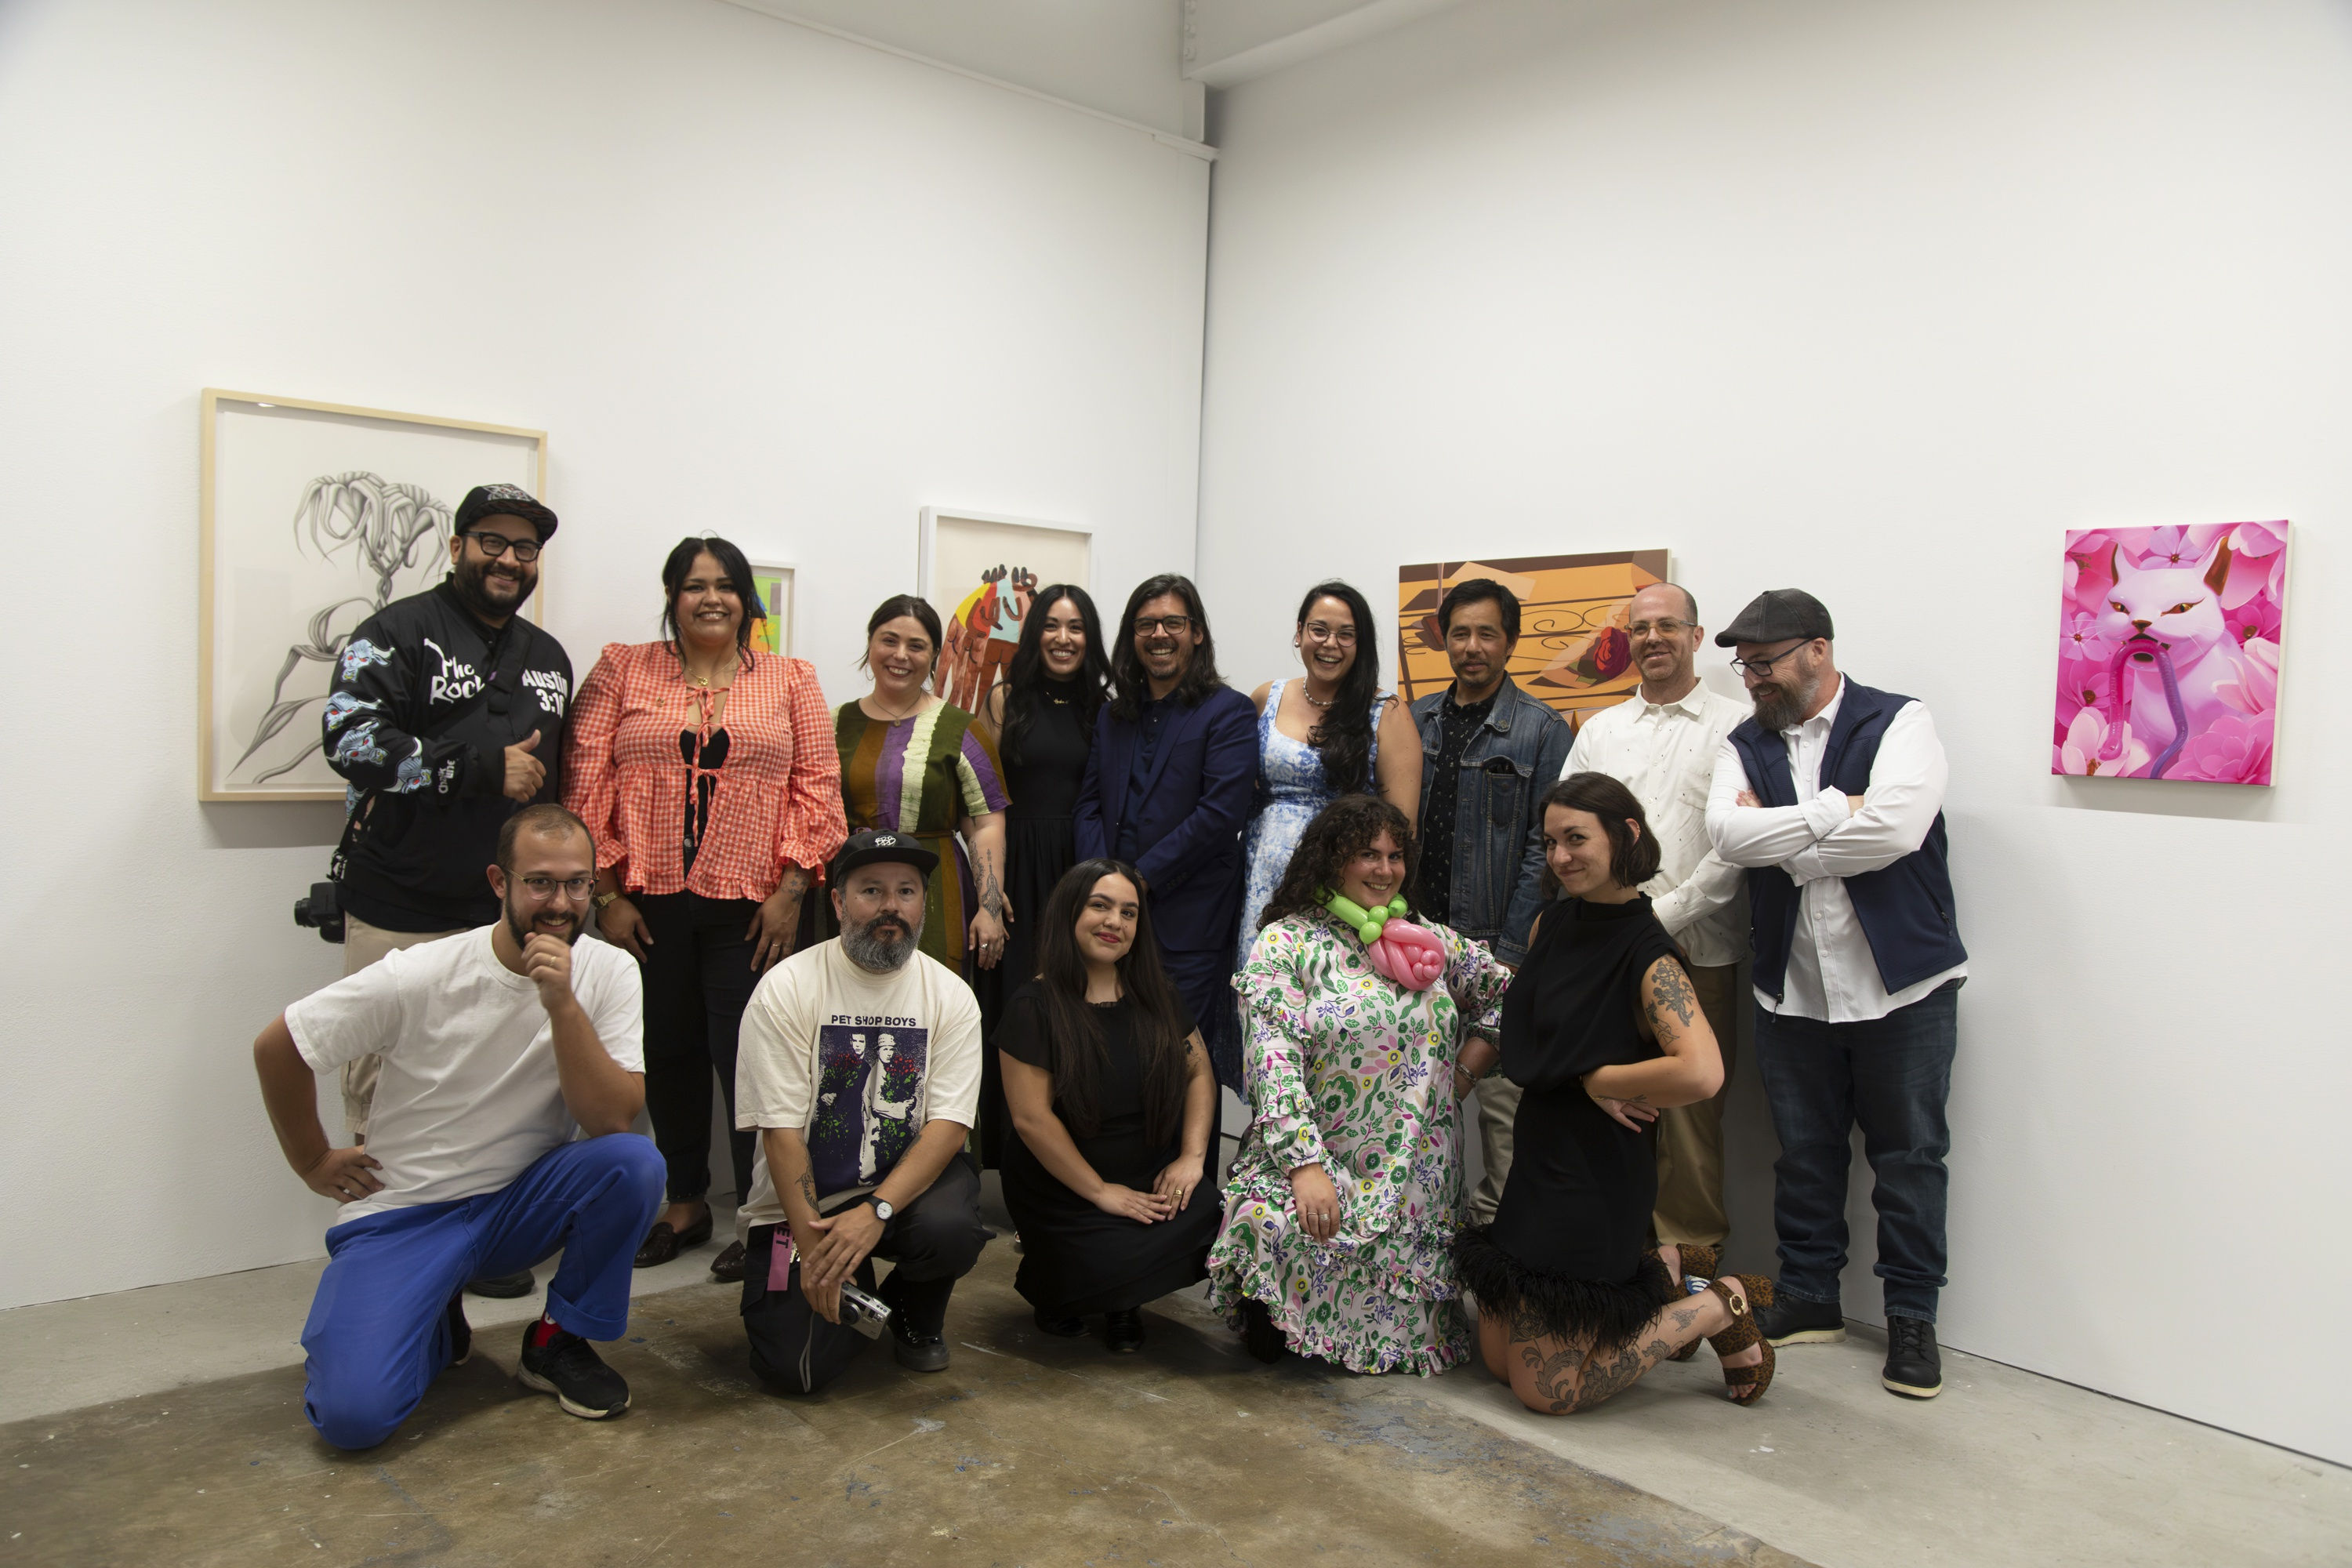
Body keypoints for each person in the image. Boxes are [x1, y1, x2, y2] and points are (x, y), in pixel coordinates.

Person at [251, 804, 662, 1450]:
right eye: (540, 883)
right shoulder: (422, 972)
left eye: (578, 883)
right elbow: (280, 1046)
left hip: (517, 1205)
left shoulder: (609, 972)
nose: (561, 903)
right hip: (408, 1214)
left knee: (633, 1164)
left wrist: (560, 1004)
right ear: (499, 883)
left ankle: (556, 1342)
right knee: (352, 1420)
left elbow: (612, 1117)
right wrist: (311, 1161)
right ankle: (437, 1318)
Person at [1705, 589, 1968, 1402]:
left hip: (1903, 990)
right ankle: (1812, 1293)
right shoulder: (1743, 740)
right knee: (1806, 1156)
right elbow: (1726, 835)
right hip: (1795, 991)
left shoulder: (1899, 720)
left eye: (1765, 661)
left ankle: (1912, 1318)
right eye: (1744, 664)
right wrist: (1827, 813)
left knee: (1910, 1158)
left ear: (1817, 648)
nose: (1752, 677)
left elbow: (1895, 828)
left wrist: (1786, 844)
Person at [565, 535, 848, 1283]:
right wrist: (607, 893)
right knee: (668, 1054)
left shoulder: (791, 678)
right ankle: (684, 1202)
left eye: (726, 585)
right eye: (695, 586)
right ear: (672, 596)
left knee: (753, 1064)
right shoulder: (622, 668)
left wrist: (791, 891)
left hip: (751, 908)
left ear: (747, 601)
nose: (711, 598)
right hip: (647, 904)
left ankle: (761, 1213)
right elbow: (585, 781)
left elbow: (819, 790)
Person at [318, 481, 574, 1299]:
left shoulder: (548, 658)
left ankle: (484, 1244)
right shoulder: (392, 634)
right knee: (382, 1087)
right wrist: (476, 765)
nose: (508, 559)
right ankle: (388, 1247)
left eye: (525, 547)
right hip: (398, 905)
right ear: (459, 544)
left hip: (501, 919)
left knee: (493, 1089)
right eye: (492, 542)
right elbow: (350, 738)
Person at [1454, 775, 1774, 1415]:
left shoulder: (1649, 953)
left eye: (1577, 839)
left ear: (1627, 836)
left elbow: (1702, 1072)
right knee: (1495, 1363)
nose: (1560, 857)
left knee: (1548, 1392)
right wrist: (1573, 1076)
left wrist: (1604, 1080)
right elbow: (1529, 1030)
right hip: (1541, 1153)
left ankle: (1715, 1304)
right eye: (1550, 842)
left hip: (1596, 1176)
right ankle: (1669, 1263)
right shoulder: (1554, 920)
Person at [1206, 795, 1510, 1376]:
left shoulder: (1428, 942)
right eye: (1367, 854)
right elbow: (1272, 1064)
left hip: (1419, 1179)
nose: (1385, 869)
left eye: (1396, 856)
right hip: (1324, 1162)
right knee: (1268, 1230)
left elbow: (1508, 1000)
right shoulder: (1287, 944)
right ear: (1330, 859)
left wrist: (1465, 1074)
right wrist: (1304, 1167)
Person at [733, 830, 992, 1392]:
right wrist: (814, 1249)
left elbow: (949, 1126)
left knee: (950, 1228)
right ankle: (845, 1281)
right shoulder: (786, 989)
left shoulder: (950, 996)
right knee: (794, 1372)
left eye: (906, 891)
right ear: (838, 902)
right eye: (871, 891)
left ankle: (911, 1314)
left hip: (897, 1197)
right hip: (799, 1212)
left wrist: (874, 1213)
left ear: (924, 904)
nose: (890, 907)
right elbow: (780, 1133)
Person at [1560, 582, 1749, 1254]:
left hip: (1697, 951)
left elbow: (1738, 848)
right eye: (1641, 629)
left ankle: (1690, 1272)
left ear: (1697, 637)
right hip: (1604, 958)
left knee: (1692, 1123)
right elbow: (1568, 834)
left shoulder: (1737, 727)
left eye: (1669, 626)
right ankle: (1619, 1261)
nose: (1653, 639)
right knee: (1612, 1110)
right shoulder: (1602, 731)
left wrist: (1654, 920)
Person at [1406, 577, 1574, 1227]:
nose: (1472, 647)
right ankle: (1417, 1243)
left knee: (1502, 1113)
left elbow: (1545, 851)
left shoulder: (1539, 730)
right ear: (1443, 639)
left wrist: (1510, 954)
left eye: (1486, 634)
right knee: (1412, 1099)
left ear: (1509, 641)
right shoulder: (1414, 720)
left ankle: (1500, 1262)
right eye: (1459, 633)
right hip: (1413, 946)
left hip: (1496, 949)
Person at [998, 860, 1219, 1352]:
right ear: (1069, 913)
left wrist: (1191, 1159)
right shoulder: (1033, 1005)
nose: (1114, 922)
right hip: (1064, 1188)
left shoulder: (1156, 994)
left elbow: (1199, 1071)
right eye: (1100, 906)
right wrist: (1101, 1192)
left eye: (1129, 912)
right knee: (1096, 1259)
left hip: (1148, 1173)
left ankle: (1123, 1301)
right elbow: (1031, 1119)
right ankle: (1059, 1291)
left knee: (1211, 1215)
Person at [1074, 575, 1257, 1088]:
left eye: (1173, 622)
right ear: (1133, 636)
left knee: (1181, 1059)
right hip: (1110, 921)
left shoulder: (1229, 711)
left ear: (1196, 633)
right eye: (1146, 624)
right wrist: (1098, 883)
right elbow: (1089, 803)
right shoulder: (1115, 715)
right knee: (1111, 1054)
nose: (1160, 633)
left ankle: (1191, 1169)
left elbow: (1220, 815)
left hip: (1187, 922)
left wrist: (1138, 880)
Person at [977, 584, 1112, 1165]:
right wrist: (991, 890)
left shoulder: (1106, 707)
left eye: (1076, 627)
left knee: (1080, 1010)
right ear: (1035, 634)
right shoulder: (1006, 697)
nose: (1064, 638)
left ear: (1091, 637)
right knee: (1019, 1009)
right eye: (1052, 626)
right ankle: (1014, 1165)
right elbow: (984, 802)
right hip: (1018, 863)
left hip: (1079, 869)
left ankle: (1074, 1158)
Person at [812, 596, 1011, 981]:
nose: (900, 655)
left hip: (936, 890)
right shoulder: (832, 723)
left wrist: (990, 906)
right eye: (889, 640)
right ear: (870, 644)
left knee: (932, 1000)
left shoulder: (961, 729)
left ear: (934, 654)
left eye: (916, 646)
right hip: (851, 886)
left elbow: (987, 824)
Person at [1238, 581, 1424, 971]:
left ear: (1362, 643)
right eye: (1319, 630)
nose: (1330, 644)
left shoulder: (1386, 712)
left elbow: (1401, 829)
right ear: (1300, 631)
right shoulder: (1264, 698)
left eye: (1346, 634)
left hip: (1341, 891)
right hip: (1260, 880)